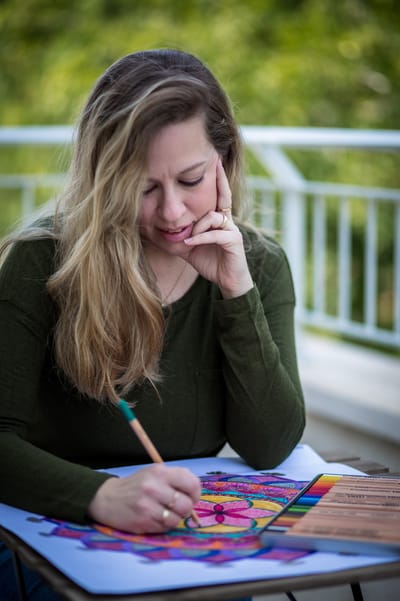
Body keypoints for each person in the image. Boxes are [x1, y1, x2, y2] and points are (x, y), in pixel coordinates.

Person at [0, 49, 305, 600]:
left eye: (191, 179)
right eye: (143, 188)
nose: (172, 212)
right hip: (50, 535)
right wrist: (100, 496)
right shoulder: (39, 261)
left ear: (225, 160)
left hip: (183, 541)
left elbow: (271, 445)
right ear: (104, 179)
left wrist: (236, 292)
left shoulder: (257, 265)